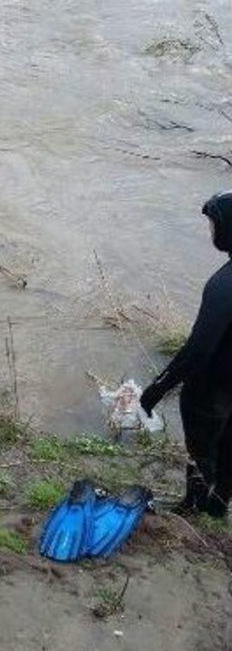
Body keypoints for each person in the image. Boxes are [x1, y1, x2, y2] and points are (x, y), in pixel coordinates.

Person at [140, 191, 232, 520]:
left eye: (213, 225)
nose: (210, 232)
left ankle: (194, 506)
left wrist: (158, 387)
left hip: (211, 388)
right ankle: (218, 505)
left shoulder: (224, 284)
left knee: (202, 448)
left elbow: (199, 348)